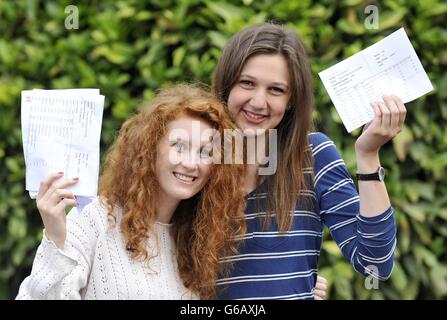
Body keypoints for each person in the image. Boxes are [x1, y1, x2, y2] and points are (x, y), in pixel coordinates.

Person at [211, 22, 406, 299]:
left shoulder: (313, 155)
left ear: (291, 100)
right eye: (247, 83)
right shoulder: (197, 158)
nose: (258, 101)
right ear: (226, 84)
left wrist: (368, 154)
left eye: (276, 90)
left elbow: (375, 264)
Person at [16, 84, 247, 299]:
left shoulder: (198, 244)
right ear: (149, 148)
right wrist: (56, 240)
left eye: (205, 152)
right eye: (179, 146)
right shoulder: (94, 217)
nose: (191, 163)